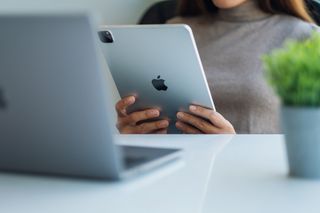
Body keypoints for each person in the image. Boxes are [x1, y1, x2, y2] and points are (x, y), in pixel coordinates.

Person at [115, 0, 318, 134]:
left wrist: (233, 147)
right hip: (176, 186)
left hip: (252, 191)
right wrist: (132, 132)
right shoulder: (171, 29)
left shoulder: (306, 38)